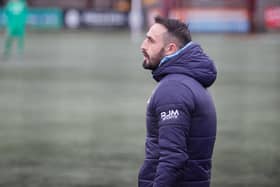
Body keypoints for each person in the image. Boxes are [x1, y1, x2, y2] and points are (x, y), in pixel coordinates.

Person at [138, 16, 217, 187]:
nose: (143, 46)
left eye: (150, 41)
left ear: (170, 49)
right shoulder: (188, 82)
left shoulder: (173, 89)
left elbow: (173, 159)